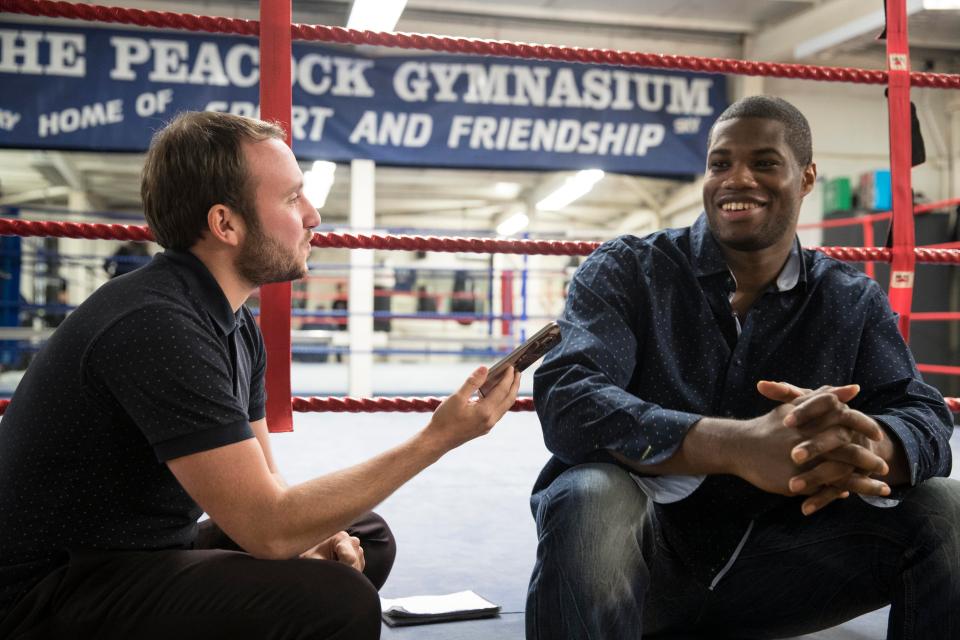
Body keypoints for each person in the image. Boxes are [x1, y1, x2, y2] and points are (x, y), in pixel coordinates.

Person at [0, 111, 520, 640]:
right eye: (293, 199)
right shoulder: (157, 325)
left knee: (363, 539)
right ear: (226, 224)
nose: (314, 215)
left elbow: (268, 493)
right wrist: (438, 438)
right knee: (336, 599)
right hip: (49, 593)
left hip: (139, 552)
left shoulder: (233, 324)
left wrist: (305, 543)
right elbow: (268, 528)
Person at [526, 96, 959, 639]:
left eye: (764, 163)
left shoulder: (850, 298)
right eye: (720, 163)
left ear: (805, 179)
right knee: (589, 496)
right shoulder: (630, 270)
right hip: (640, 562)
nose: (737, 179)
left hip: (783, 566)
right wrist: (739, 445)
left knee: (949, 506)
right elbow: (570, 399)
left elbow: (923, 413)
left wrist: (866, 450)